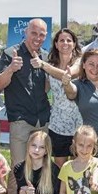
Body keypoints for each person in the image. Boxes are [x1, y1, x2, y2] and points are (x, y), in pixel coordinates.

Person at [0, 18, 51, 194]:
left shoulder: (44, 56)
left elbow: (45, 87)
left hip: (42, 119)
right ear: (26, 33)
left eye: (42, 34)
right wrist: (11, 69)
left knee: (42, 168)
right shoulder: (11, 53)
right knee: (19, 169)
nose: (38, 38)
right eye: (34, 33)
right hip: (20, 120)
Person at [30, 28, 83, 167]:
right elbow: (45, 88)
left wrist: (43, 65)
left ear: (74, 44)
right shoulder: (50, 64)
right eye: (61, 40)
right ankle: (60, 190)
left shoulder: (80, 62)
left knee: (76, 167)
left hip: (78, 122)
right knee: (60, 168)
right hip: (57, 124)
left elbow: (67, 75)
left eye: (69, 40)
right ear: (56, 44)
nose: (65, 43)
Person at [63, 48, 98, 166]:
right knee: (90, 183)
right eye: (91, 64)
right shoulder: (78, 84)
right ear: (83, 65)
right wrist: (67, 83)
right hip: (89, 147)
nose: (95, 68)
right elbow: (71, 93)